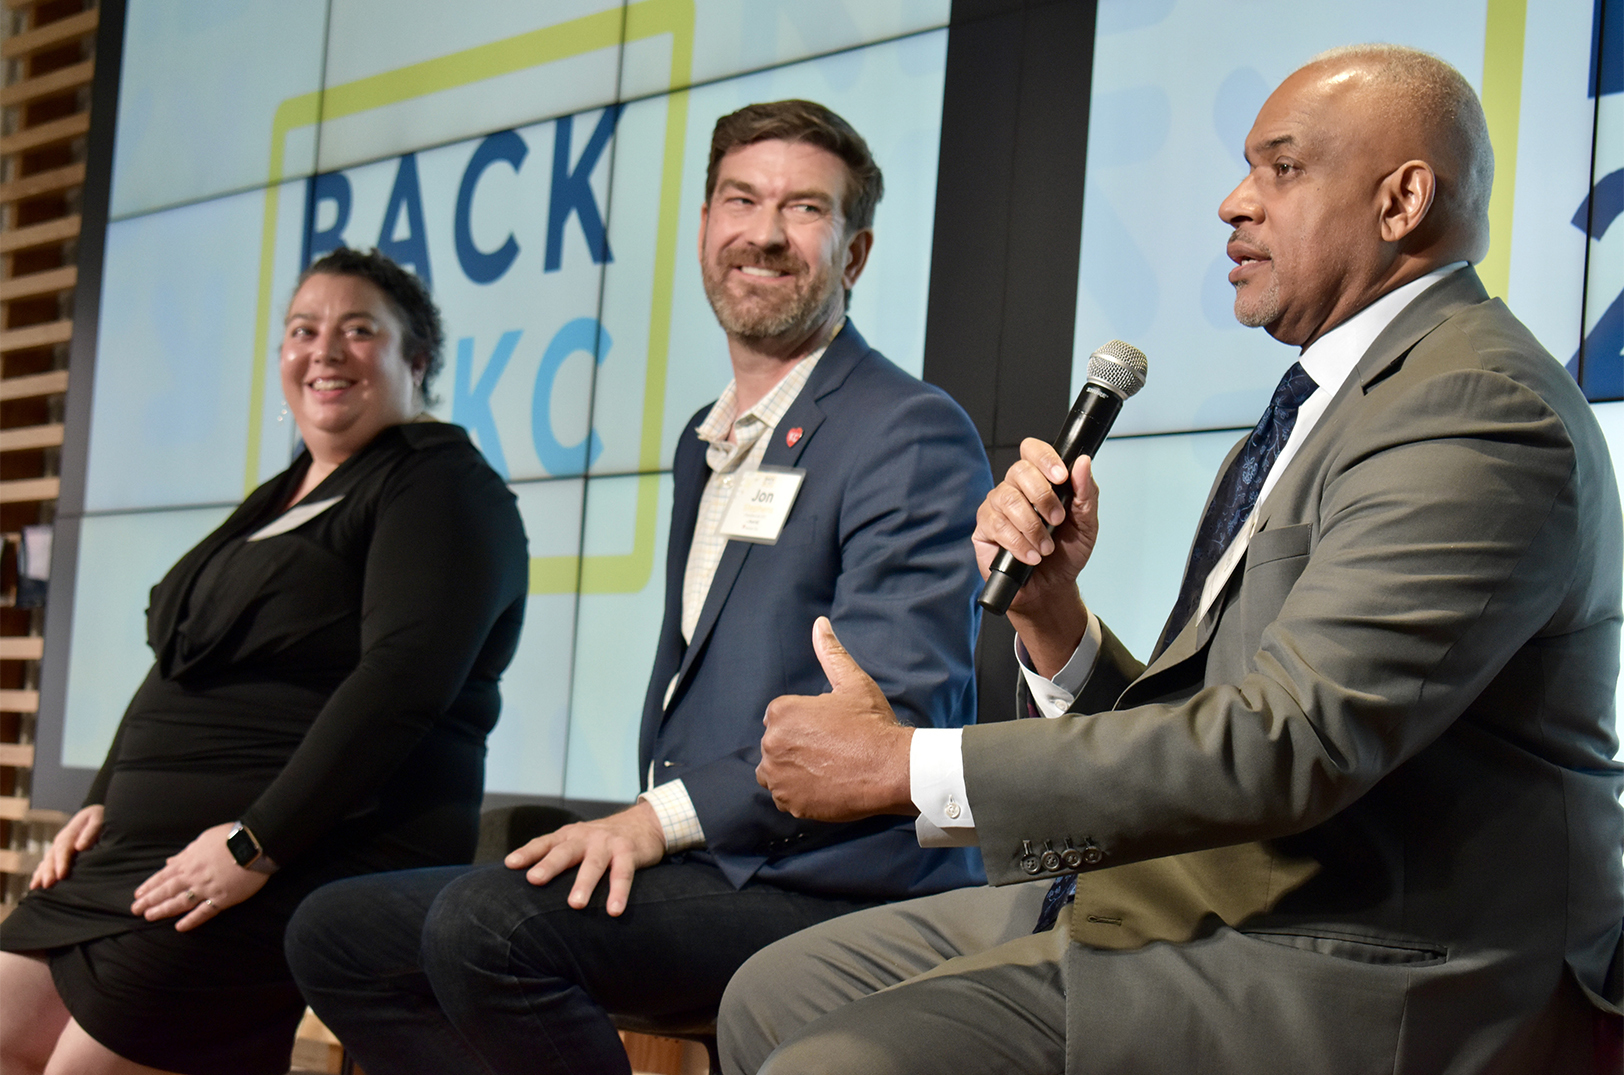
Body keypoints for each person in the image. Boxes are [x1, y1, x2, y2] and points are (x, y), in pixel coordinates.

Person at [734, 45, 1624, 1075]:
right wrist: (1052, 618)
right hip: (1209, 891)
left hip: (1359, 953)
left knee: (837, 1060)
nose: (1231, 203)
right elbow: (1214, 729)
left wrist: (906, 766)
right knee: (774, 990)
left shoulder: (1475, 408)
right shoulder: (1332, 398)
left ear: (1402, 199)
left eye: (1280, 169)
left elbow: (1290, 743)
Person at [284, 100, 991, 1074]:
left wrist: (651, 821)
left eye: (803, 209)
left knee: (490, 927)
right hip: (713, 862)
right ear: (705, 227)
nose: (764, 232)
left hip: (840, 880)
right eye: (740, 199)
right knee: (335, 933)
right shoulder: (704, 440)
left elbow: (887, 717)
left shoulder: (907, 429)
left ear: (854, 254)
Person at [0, 248, 529, 1075]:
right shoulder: (280, 498)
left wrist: (258, 844)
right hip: (143, 849)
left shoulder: (440, 484)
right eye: (303, 330)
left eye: (359, 330)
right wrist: (102, 798)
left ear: (414, 360)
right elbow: (182, 659)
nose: (324, 349)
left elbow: (402, 680)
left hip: (303, 845)